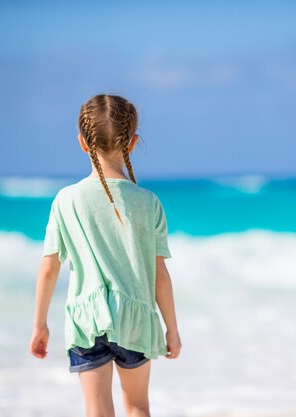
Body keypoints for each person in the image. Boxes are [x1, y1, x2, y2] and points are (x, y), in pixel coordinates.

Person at [30, 93, 182, 417]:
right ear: (133, 142)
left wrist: (40, 324)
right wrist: (172, 328)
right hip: (136, 320)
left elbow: (48, 269)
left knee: (97, 410)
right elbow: (160, 276)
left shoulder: (66, 200)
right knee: (138, 406)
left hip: (88, 322)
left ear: (83, 143)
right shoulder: (148, 202)